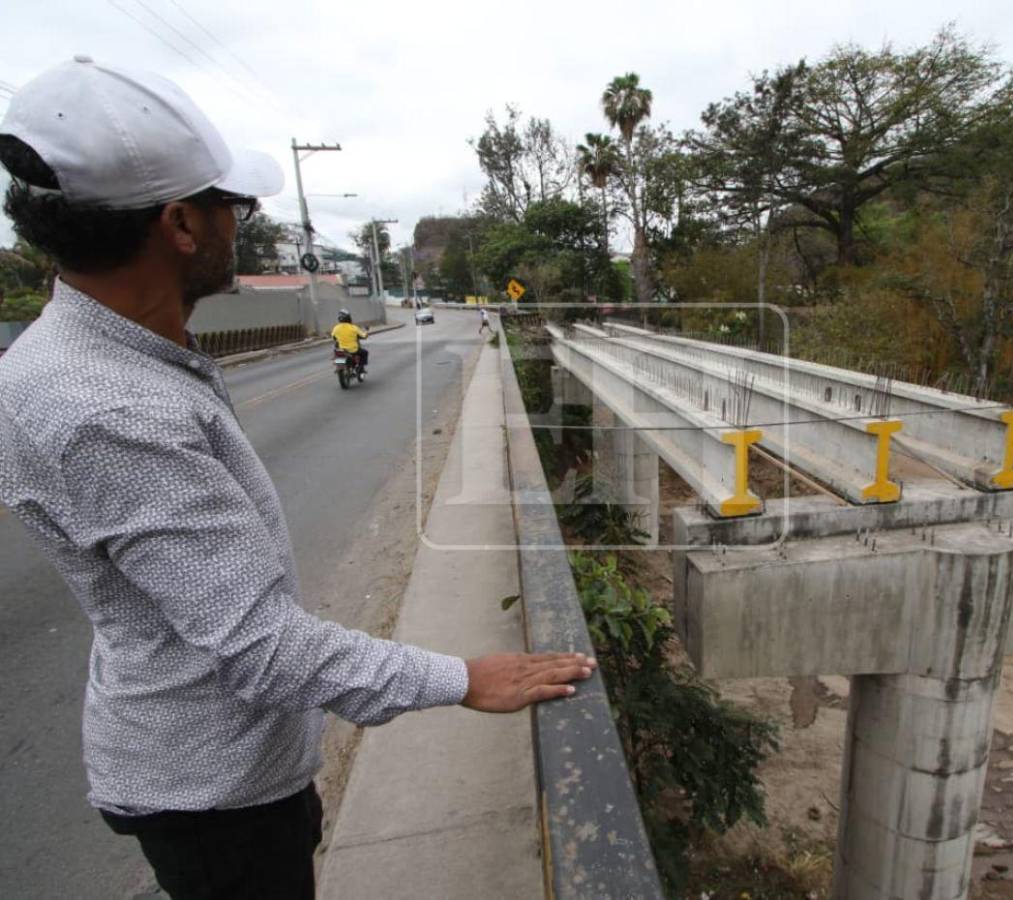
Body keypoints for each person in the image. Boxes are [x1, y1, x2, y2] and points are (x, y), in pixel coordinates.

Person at [0, 57, 594, 900]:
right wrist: (464, 678)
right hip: (216, 796)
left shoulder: (91, 360)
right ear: (180, 226)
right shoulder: (111, 410)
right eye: (232, 208)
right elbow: (261, 649)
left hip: (209, 758)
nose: (240, 226)